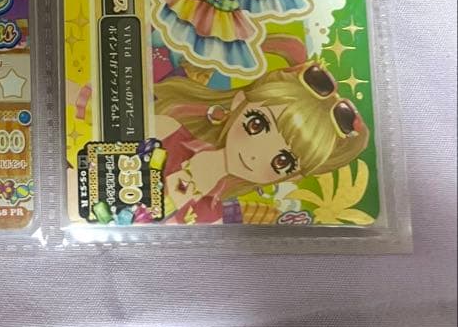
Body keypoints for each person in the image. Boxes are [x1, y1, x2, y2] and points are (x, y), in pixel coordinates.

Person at [152, 57, 369, 223]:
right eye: (257, 124)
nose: (255, 154)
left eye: (282, 161)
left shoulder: (214, 217)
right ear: (239, 102)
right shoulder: (166, 131)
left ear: (293, 176)